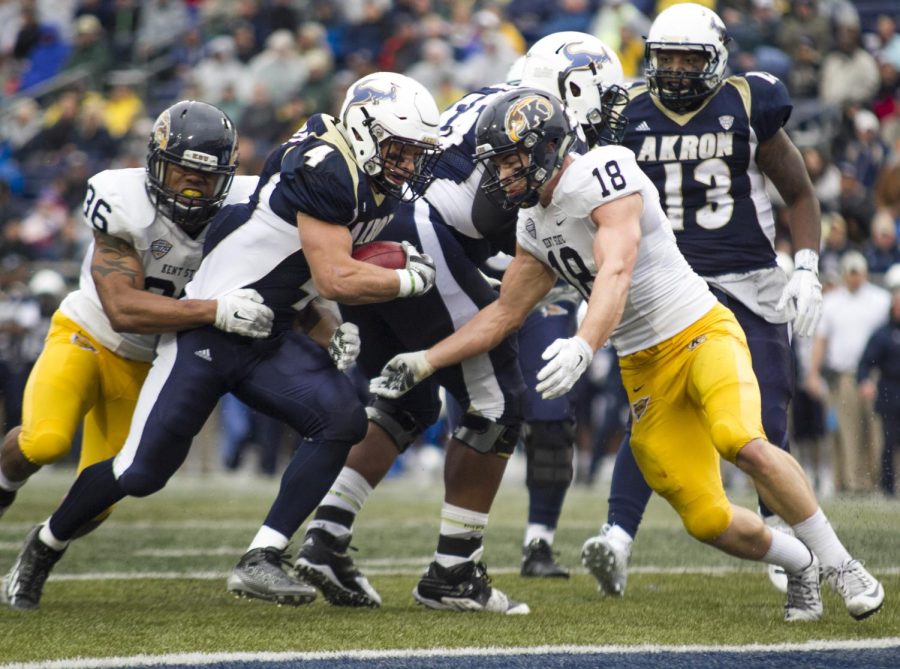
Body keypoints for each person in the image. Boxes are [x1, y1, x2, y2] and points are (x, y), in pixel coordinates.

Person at [370, 86, 885, 623]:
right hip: (642, 369)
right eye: (496, 164)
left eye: (509, 161)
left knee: (741, 441)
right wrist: (427, 360)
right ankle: (799, 561)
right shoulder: (531, 225)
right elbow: (503, 315)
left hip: (699, 331)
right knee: (707, 519)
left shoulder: (603, 172)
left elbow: (616, 268)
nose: (501, 176)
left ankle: (842, 564)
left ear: (546, 147)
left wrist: (583, 342)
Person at [0, 72, 443, 610]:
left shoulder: (355, 185)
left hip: (264, 330)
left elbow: (291, 270)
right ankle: (45, 543)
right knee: (139, 473)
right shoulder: (326, 168)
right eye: (399, 148)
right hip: (194, 330)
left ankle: (263, 555)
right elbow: (331, 274)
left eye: (415, 152)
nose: (407, 163)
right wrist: (402, 280)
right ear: (364, 129)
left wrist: (329, 327)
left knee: (343, 417)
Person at [273, 35, 630, 615]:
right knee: (498, 403)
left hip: (382, 236)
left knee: (408, 405)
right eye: (605, 93)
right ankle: (453, 571)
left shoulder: (491, 100)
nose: (612, 107)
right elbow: (494, 213)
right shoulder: (530, 124)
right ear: (572, 82)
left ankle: (326, 536)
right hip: (422, 242)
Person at [576, 3, 827, 598]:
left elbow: (799, 192)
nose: (679, 70)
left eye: (691, 58)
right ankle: (617, 535)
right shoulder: (625, 115)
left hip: (746, 272)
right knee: (648, 415)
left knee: (765, 411)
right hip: (665, 281)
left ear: (717, 58)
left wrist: (809, 266)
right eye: (668, 59)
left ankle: (779, 531)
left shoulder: (747, 102)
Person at [0, 100, 273, 525]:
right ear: (155, 164)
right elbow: (122, 309)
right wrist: (215, 311)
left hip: (148, 362)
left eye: (206, 176)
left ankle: (40, 550)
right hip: (88, 333)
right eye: (182, 171)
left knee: (99, 502)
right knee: (45, 442)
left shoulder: (246, 207)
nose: (192, 186)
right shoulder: (122, 199)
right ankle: (2, 486)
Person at [857, 281, 900, 497]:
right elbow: (866, 362)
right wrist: (865, 381)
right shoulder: (883, 334)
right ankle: (887, 486)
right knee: (889, 441)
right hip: (890, 391)